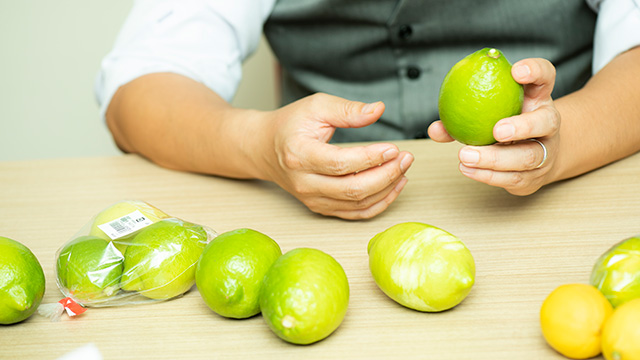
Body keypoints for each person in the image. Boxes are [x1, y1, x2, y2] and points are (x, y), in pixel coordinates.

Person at [96, 0, 640, 220]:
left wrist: (565, 139)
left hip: (569, 200)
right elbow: (139, 88)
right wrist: (260, 145)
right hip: (323, 221)